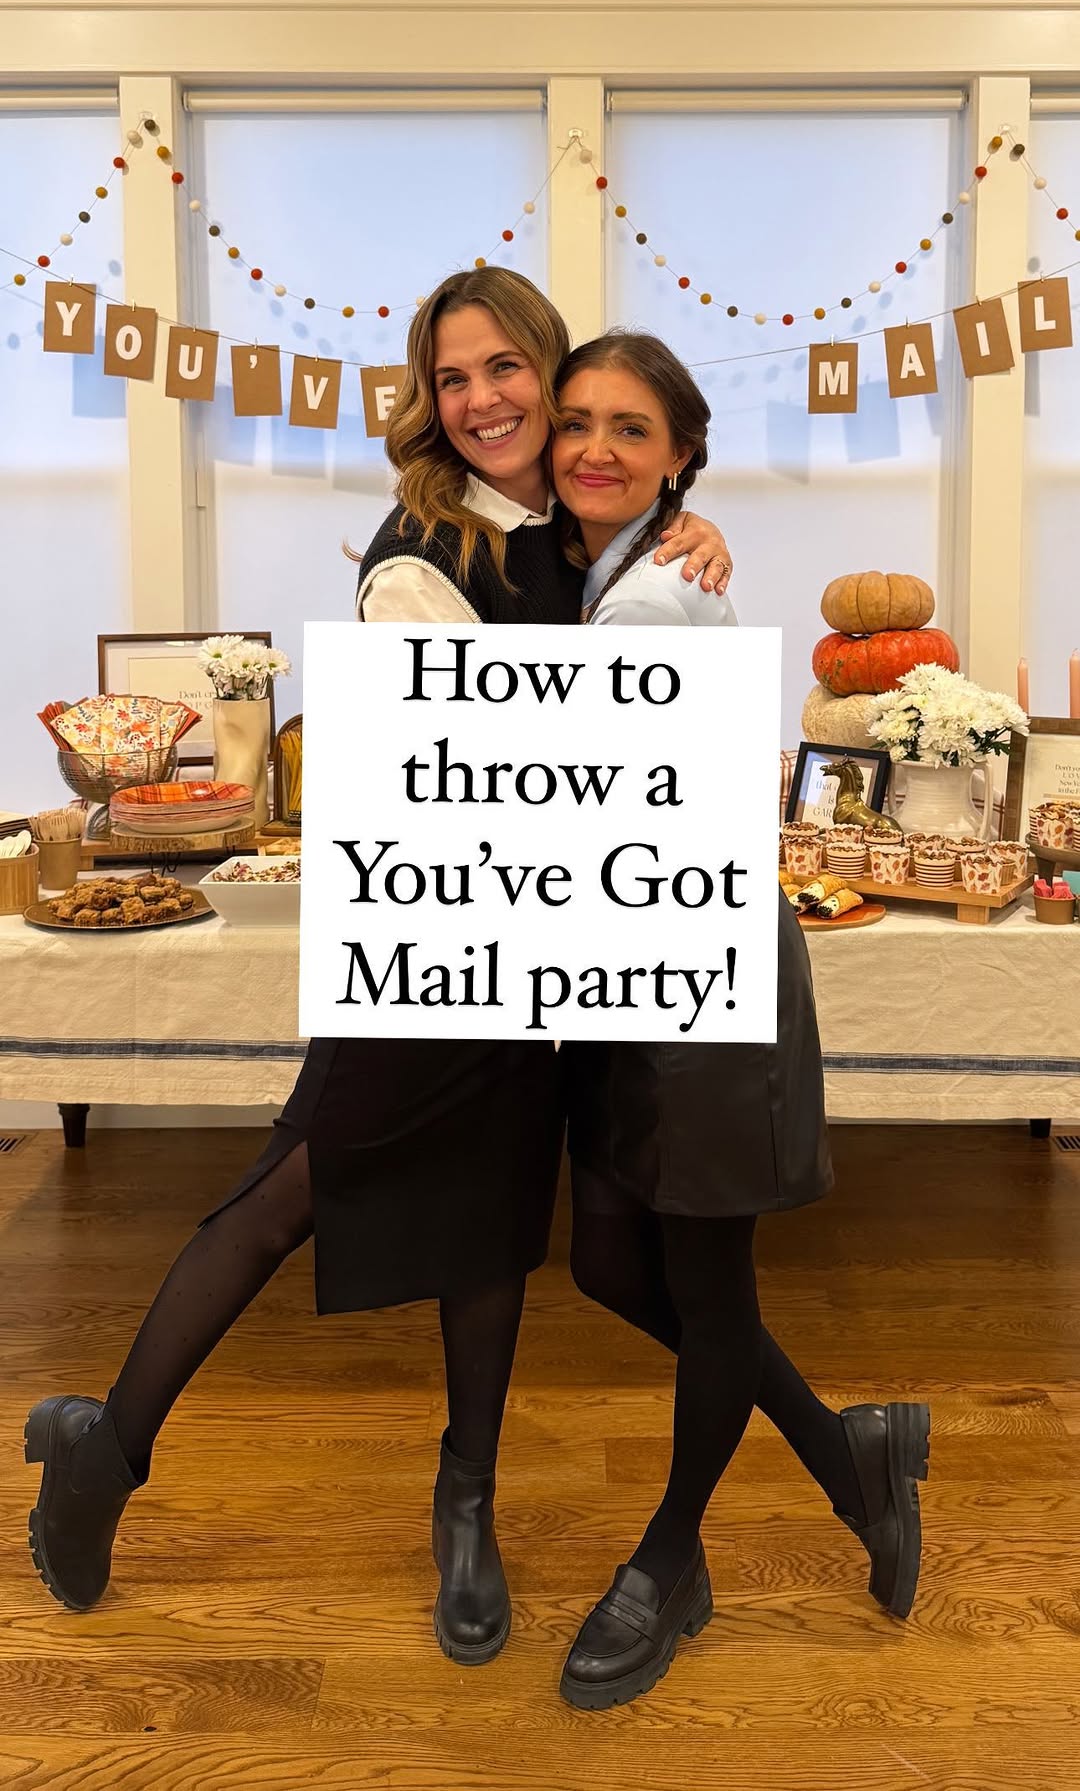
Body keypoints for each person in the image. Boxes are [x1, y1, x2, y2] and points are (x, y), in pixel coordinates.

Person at [23, 271, 734, 1666]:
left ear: (551, 368)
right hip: (437, 942)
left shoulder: (576, 532)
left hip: (545, 948)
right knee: (295, 1185)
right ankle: (106, 1449)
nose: (483, 401)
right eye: (451, 377)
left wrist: (682, 530)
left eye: (505, 368)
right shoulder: (420, 555)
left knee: (494, 1225)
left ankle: (466, 1503)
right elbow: (475, 766)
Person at [550, 330, 931, 1711]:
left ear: (682, 456)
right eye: (578, 420)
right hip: (628, 963)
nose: (595, 447)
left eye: (631, 429)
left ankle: (668, 1560)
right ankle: (846, 1456)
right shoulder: (609, 568)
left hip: (697, 970)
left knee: (706, 1286)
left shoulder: (657, 596)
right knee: (611, 1263)